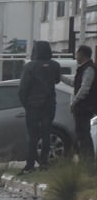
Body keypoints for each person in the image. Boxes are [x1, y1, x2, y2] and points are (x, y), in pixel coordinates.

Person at [18, 40, 61, 174]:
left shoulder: (30, 67)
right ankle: (44, 163)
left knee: (32, 136)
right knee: (46, 133)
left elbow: (23, 88)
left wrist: (26, 104)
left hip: (33, 105)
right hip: (49, 104)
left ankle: (30, 164)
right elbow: (57, 80)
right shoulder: (55, 65)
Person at [63, 44, 96, 167]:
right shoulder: (82, 69)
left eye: (77, 53)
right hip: (81, 108)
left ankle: (88, 161)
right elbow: (75, 84)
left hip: (85, 108)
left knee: (84, 134)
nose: (76, 56)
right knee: (81, 134)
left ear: (82, 54)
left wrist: (74, 102)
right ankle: (84, 160)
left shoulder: (89, 69)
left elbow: (84, 89)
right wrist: (61, 78)